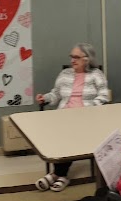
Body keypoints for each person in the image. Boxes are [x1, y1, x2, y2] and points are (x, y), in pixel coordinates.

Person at [35, 43, 109, 192]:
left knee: (69, 135)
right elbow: (55, 94)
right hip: (64, 115)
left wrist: (87, 109)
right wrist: (45, 98)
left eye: (76, 57)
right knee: (61, 132)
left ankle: (58, 174)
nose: (72, 60)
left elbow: (104, 96)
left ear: (87, 59)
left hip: (87, 117)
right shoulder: (65, 74)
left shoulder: (96, 74)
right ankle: (60, 175)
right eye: (71, 57)